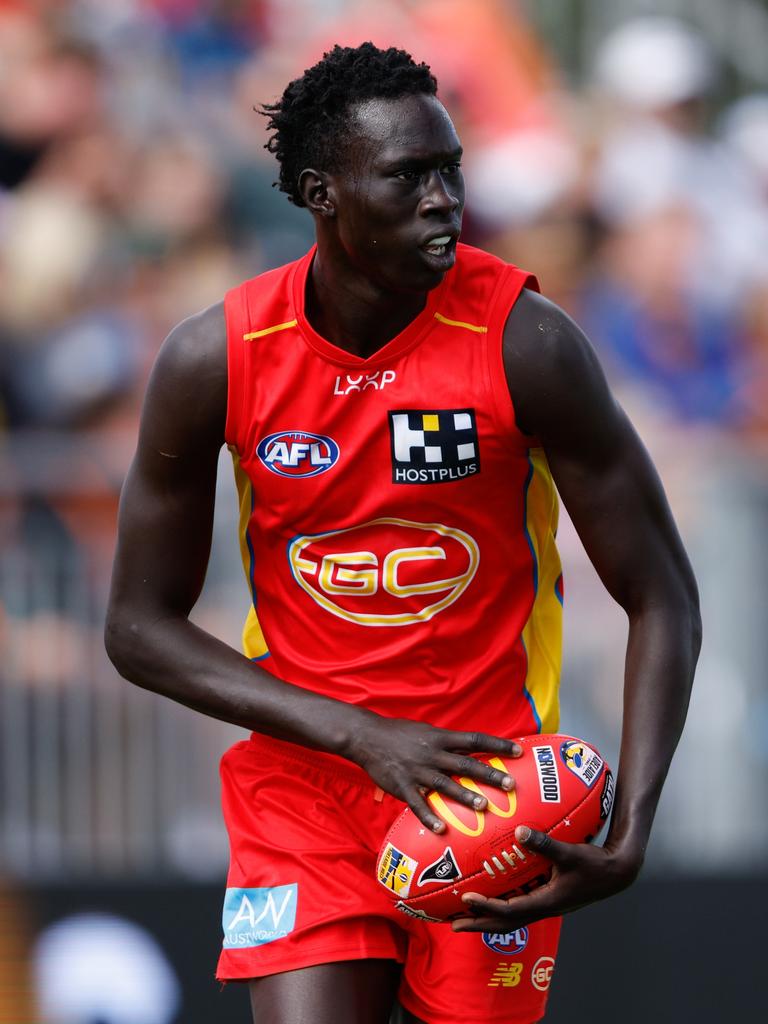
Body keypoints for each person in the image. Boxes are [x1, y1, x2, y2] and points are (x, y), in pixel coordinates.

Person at [105, 43, 701, 1024]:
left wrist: (632, 822)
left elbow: (661, 593)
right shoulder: (216, 357)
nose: (444, 198)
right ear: (320, 192)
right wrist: (359, 735)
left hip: (485, 793)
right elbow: (135, 626)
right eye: (407, 174)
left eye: (450, 168)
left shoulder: (528, 342)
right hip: (303, 785)